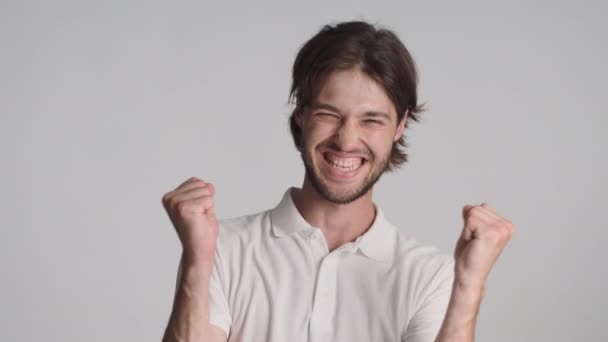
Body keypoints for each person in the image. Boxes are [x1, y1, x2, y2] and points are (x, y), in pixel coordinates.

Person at [160, 21, 515, 342]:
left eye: (371, 120)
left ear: (400, 126)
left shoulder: (429, 274)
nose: (346, 140)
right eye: (329, 114)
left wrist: (469, 284)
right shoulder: (222, 249)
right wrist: (198, 260)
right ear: (300, 114)